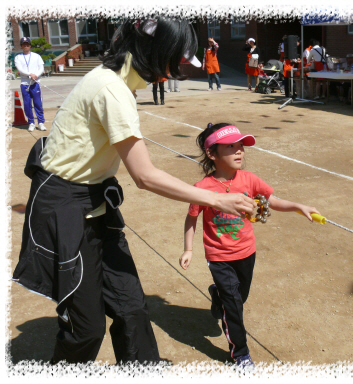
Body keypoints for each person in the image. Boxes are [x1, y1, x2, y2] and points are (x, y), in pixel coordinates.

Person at [12, 18, 257, 365]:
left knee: (133, 309)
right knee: (87, 329)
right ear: (156, 51)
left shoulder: (119, 85)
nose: (174, 71)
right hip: (66, 209)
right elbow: (144, 175)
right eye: (175, 60)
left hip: (96, 204)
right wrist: (216, 198)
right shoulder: (111, 89)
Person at [179, 123, 319, 371]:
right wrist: (188, 249)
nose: (239, 151)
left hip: (246, 252)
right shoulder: (202, 189)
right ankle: (241, 354)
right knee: (233, 306)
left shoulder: (249, 179)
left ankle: (217, 295)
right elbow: (192, 217)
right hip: (219, 256)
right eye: (231, 146)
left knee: (239, 298)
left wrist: (300, 206)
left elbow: (272, 201)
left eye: (241, 146)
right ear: (212, 154)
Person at [14, 37, 47, 132]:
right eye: (24, 44)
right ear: (21, 46)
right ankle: (31, 122)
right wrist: (30, 74)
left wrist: (36, 75)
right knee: (27, 104)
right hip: (25, 84)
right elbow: (20, 69)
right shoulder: (18, 57)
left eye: (27, 44)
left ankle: (40, 122)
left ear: (30, 45)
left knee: (38, 103)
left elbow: (41, 67)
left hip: (35, 83)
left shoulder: (36, 56)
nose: (26, 46)